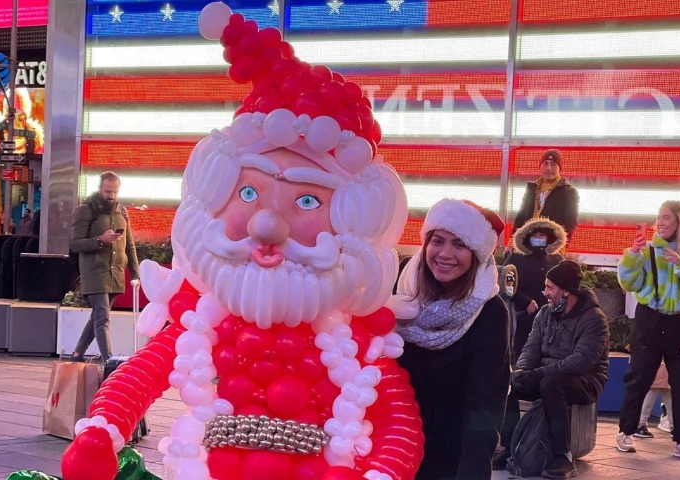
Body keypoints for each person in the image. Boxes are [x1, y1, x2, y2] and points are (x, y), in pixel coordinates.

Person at [60, 5, 424, 479]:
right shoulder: (207, 317)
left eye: (308, 201)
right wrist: (101, 430)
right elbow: (143, 371)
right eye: (249, 193)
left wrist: (383, 472)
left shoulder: (354, 338)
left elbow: (398, 420)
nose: (268, 225)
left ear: (351, 222)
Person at [394, 198, 511, 480]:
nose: (445, 253)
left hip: (451, 449)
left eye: (459, 245)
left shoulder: (489, 311)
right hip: (393, 437)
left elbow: (485, 405)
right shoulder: (400, 287)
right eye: (438, 240)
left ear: (476, 254)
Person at [616, 201, 680, 461]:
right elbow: (628, 282)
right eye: (659, 218)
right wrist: (633, 256)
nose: (661, 222)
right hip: (650, 319)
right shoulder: (648, 250)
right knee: (639, 377)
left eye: (667, 218)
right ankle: (625, 431)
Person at [495, 260, 609, 479]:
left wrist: (538, 374)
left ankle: (563, 457)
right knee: (512, 382)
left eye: (550, 287)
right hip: (548, 374)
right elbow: (531, 347)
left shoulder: (594, 319)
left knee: (551, 384)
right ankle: (511, 449)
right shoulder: (545, 313)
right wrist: (524, 371)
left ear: (566, 291)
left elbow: (582, 361)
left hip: (585, 379)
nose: (545, 292)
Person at [69, 171, 139, 363]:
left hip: (115, 272)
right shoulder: (86, 210)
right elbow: (75, 244)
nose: (112, 196)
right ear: (100, 189)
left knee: (98, 317)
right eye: (108, 191)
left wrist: (135, 273)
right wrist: (100, 240)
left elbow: (129, 244)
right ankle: (108, 361)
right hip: (95, 271)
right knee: (103, 317)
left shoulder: (122, 212)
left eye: (115, 192)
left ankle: (77, 354)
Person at [503, 217, 567, 363]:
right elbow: (506, 282)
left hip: (552, 316)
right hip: (523, 315)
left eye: (542, 236)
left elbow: (565, 285)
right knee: (523, 356)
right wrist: (524, 301)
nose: (538, 239)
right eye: (535, 236)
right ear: (527, 237)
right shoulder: (516, 258)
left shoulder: (557, 259)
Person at [509, 149, 579, 252]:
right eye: (545, 163)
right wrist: (512, 242)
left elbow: (571, 222)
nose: (549, 168)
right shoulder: (532, 188)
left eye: (553, 164)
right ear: (540, 166)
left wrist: (561, 247)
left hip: (551, 245)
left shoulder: (569, 192)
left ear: (560, 168)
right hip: (528, 243)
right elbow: (521, 216)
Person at [633, 362, 672, 438]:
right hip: (663, 370)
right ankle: (640, 425)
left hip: (659, 370)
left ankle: (640, 425)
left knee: (648, 402)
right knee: (669, 403)